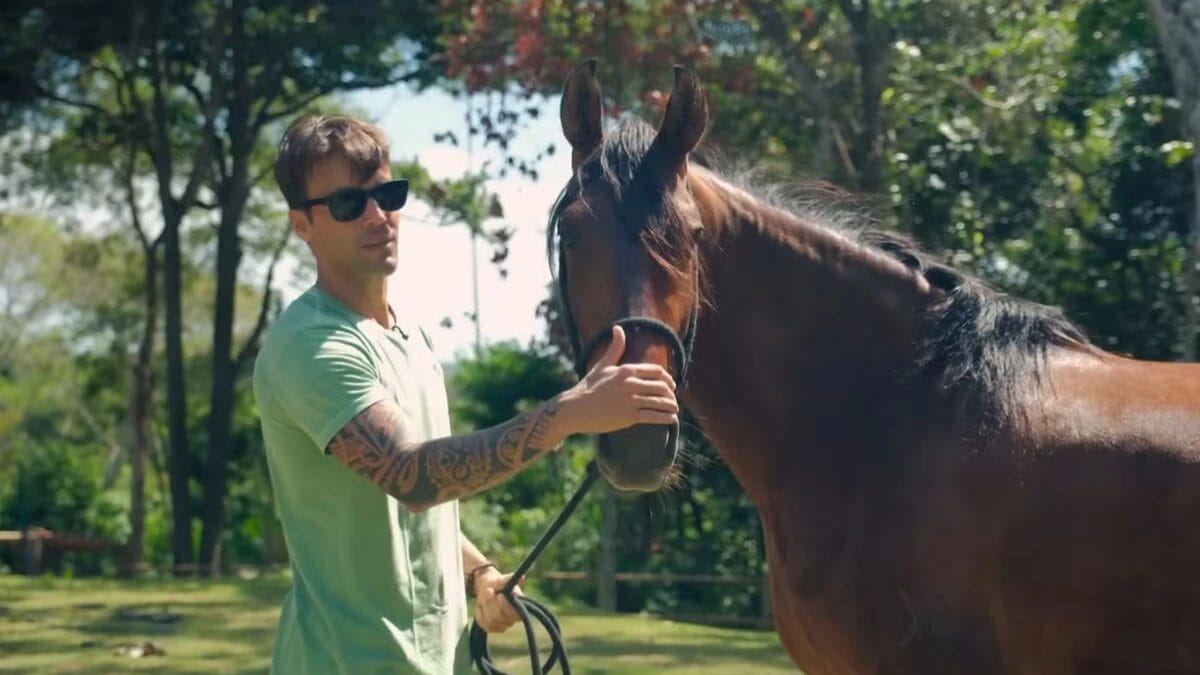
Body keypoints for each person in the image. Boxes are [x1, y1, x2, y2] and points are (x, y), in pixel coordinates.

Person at [252, 113, 679, 674]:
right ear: (302, 224)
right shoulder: (310, 345)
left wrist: (479, 574)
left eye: (388, 193)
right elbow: (413, 476)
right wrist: (568, 414)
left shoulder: (412, 338)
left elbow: (415, 519)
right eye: (348, 205)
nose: (379, 216)